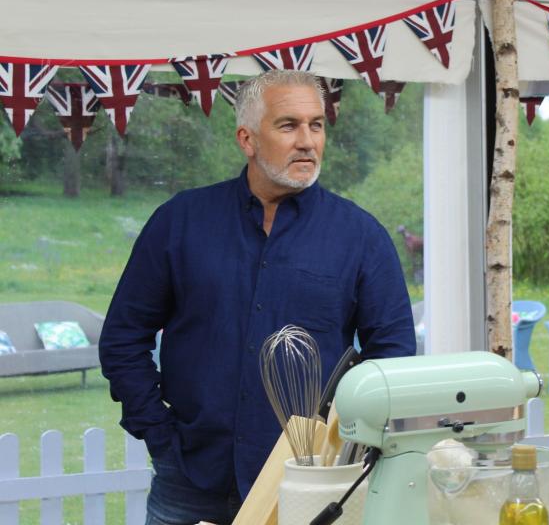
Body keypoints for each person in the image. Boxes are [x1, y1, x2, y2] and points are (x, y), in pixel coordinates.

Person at [99, 69, 416, 525]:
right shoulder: (180, 222)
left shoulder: (361, 237)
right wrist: (160, 436)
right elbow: (123, 338)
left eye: (317, 125)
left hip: (310, 485)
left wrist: (343, 447)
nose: (307, 141)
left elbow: (392, 358)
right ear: (247, 139)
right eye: (288, 125)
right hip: (190, 481)